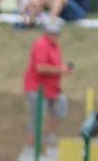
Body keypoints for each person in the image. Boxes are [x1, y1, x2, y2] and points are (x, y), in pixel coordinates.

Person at [22, 17, 72, 148]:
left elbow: (54, 65)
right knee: (35, 119)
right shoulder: (41, 44)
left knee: (61, 108)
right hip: (36, 87)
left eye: (57, 33)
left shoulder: (55, 46)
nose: (56, 35)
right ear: (46, 32)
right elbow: (40, 68)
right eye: (53, 33)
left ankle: (47, 134)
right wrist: (60, 69)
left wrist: (63, 69)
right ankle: (30, 147)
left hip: (52, 88)